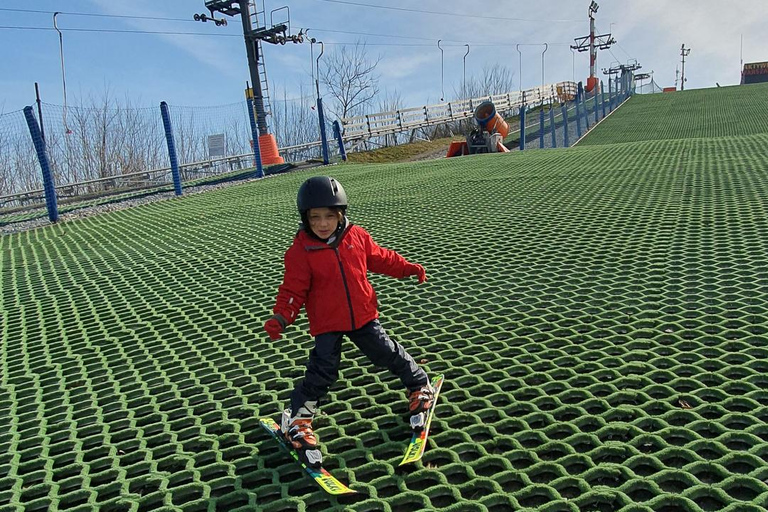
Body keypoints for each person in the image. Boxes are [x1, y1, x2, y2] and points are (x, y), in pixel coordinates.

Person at [264, 176, 433, 468]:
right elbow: (293, 290)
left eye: (330, 216)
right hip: (328, 323)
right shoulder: (301, 252)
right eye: (315, 217)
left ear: (341, 214)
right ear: (305, 219)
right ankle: (299, 419)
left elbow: (381, 258)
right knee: (323, 371)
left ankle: (419, 384)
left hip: (363, 316)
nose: (322, 223)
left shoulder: (356, 236)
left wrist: (406, 268)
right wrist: (282, 317)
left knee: (385, 351)